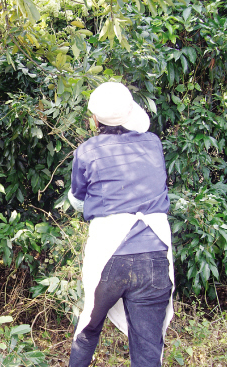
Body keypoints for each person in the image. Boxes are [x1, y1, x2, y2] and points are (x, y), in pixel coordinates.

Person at [67, 82, 174, 367]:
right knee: (148, 346)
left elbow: (78, 200)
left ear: (94, 119)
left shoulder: (87, 151)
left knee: (88, 328)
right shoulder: (152, 143)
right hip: (155, 252)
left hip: (109, 252)